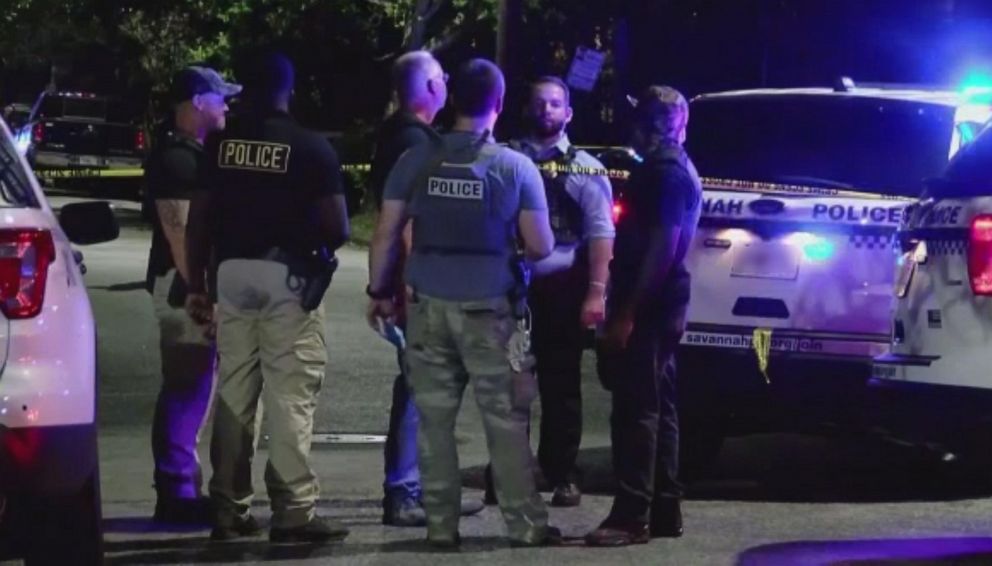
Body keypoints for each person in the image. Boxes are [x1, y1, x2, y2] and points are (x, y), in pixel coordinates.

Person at [367, 58, 560, 548]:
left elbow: (386, 233)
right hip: (491, 309)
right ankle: (526, 526)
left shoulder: (416, 160)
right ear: (497, 106)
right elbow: (540, 246)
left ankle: (439, 526)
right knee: (505, 423)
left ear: (453, 101)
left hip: (428, 307)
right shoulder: (514, 167)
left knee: (433, 422)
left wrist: (379, 292)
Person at [184, 52, 351, 544]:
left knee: (235, 392)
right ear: (288, 90)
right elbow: (338, 227)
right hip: (288, 278)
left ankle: (229, 509)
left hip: (232, 273)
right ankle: (294, 511)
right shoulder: (310, 148)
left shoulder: (219, 146)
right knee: (290, 395)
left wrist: (197, 284)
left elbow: (199, 220)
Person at [368, 50, 484, 527]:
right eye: (442, 78)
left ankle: (416, 486)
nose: (447, 85)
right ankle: (405, 491)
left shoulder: (395, 136)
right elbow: (411, 219)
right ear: (432, 88)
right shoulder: (417, 143)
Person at [585, 85, 702, 547]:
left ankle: (631, 515)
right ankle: (665, 508)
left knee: (636, 410)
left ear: (651, 122)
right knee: (660, 407)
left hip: (650, 303)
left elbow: (664, 246)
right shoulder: (671, 167)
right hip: (661, 300)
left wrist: (626, 313)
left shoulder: (665, 173)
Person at [504, 76, 615, 507]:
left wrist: (595, 292)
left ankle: (563, 471)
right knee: (509, 385)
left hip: (561, 289)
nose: (546, 110)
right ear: (526, 108)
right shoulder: (506, 159)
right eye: (539, 102)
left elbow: (601, 235)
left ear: (568, 113)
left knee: (561, 386)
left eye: (555, 104)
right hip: (510, 287)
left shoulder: (586, 168)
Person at [143, 65, 239, 525]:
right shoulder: (178, 160)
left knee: (194, 385)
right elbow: (179, 230)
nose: (226, 106)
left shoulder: (189, 153)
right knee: (187, 385)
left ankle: (181, 486)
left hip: (190, 286)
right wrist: (200, 291)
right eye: (220, 98)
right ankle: (176, 492)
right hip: (184, 290)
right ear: (199, 102)